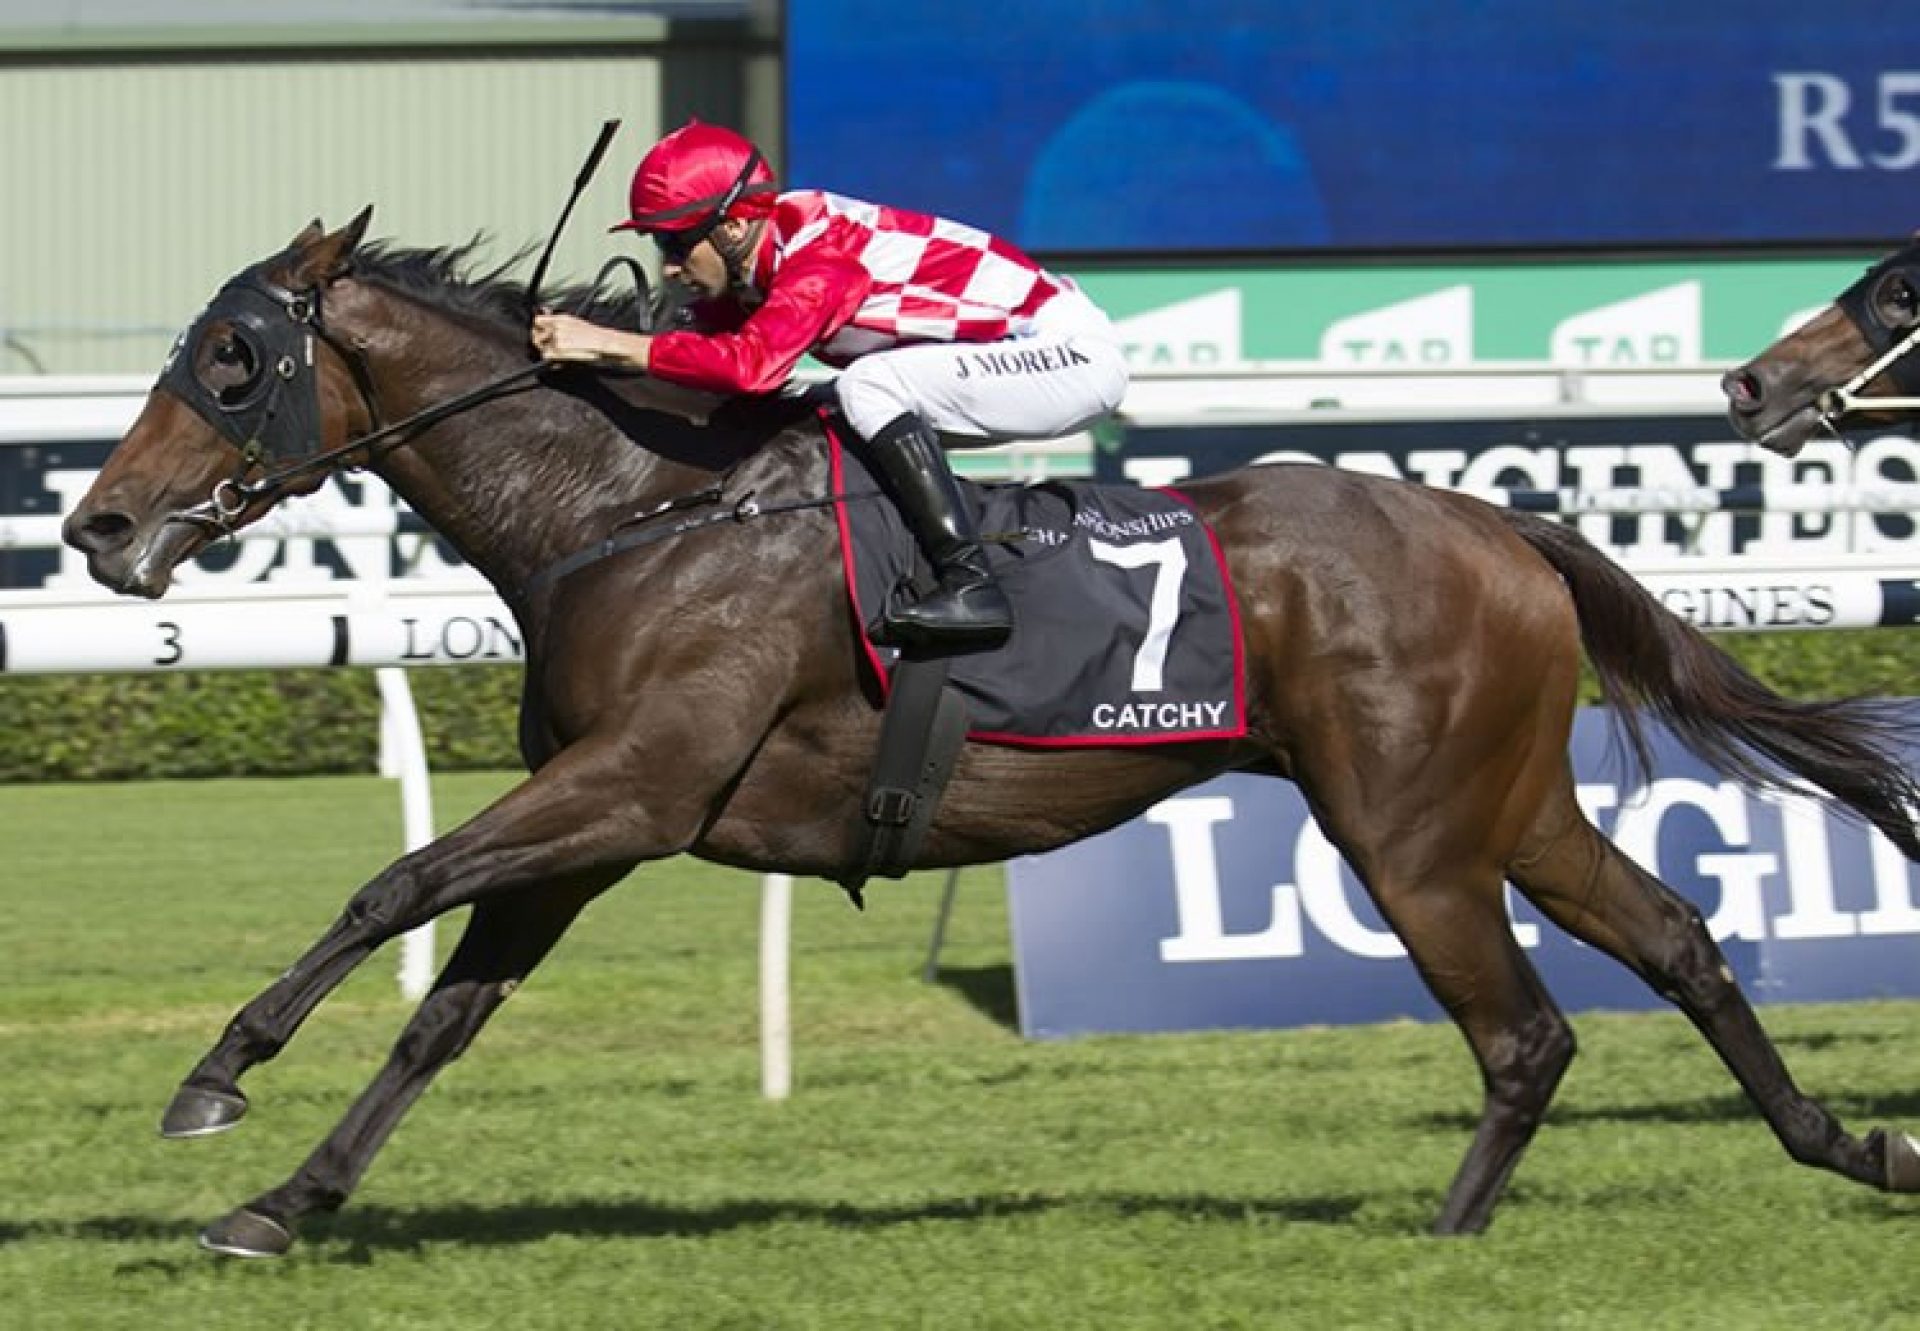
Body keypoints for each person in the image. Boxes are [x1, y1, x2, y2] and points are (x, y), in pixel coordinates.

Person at [531, 119, 1129, 650]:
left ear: (734, 227)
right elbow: (700, 357)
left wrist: (610, 343)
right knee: (816, 403)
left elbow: (747, 366)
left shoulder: (822, 253)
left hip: (1066, 357)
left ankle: (972, 585)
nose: (667, 266)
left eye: (676, 242)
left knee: (868, 385)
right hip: (1007, 356)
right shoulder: (759, 260)